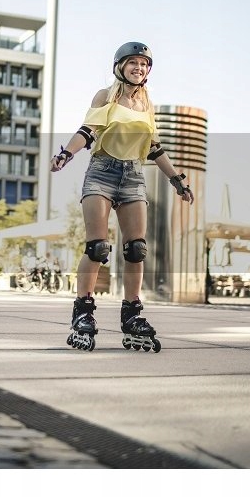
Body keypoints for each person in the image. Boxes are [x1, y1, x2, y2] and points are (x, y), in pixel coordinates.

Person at [50, 41, 194, 351]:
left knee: (136, 249)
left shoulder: (147, 105)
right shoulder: (106, 96)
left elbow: (154, 148)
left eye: (144, 64)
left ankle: (132, 317)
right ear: (120, 67)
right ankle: (83, 313)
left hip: (133, 176)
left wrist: (177, 180)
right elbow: (87, 131)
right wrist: (66, 154)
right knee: (97, 247)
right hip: (101, 172)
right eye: (133, 62)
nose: (138, 68)